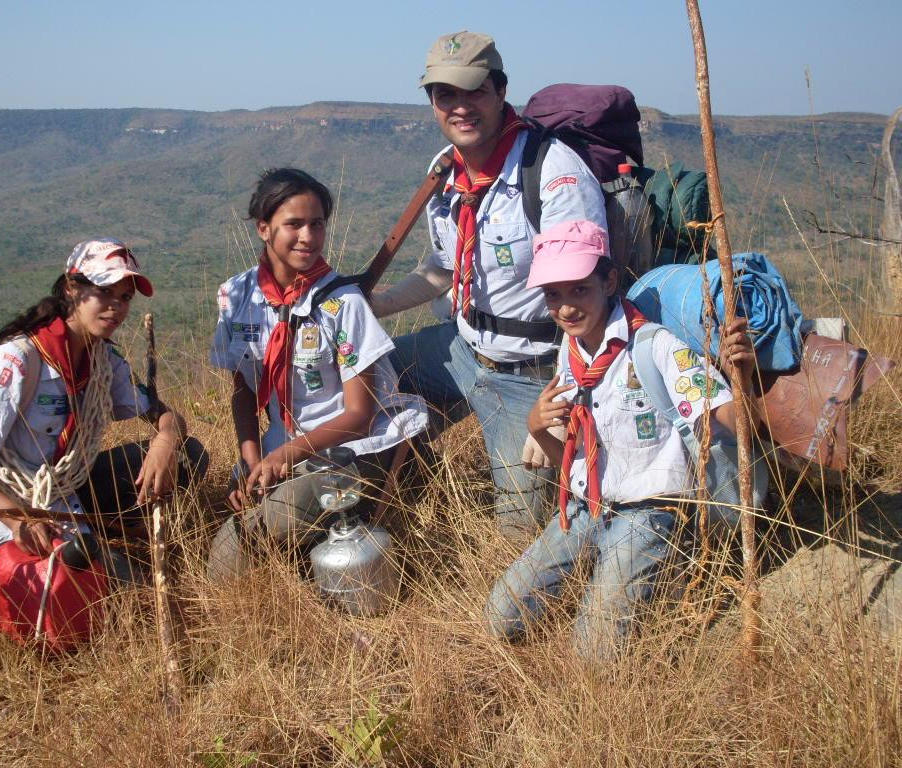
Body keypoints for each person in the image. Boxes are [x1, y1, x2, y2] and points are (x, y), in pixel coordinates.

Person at [369, 31, 608, 538]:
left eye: (474, 91)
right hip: (461, 347)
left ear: (500, 92)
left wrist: (557, 405)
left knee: (515, 534)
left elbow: (585, 304)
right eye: (445, 95)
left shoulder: (551, 173)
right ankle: (408, 477)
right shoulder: (444, 172)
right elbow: (442, 267)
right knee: (370, 377)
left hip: (533, 369)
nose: (460, 107)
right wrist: (374, 307)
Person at [483, 219, 754, 660]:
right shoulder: (570, 355)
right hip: (586, 508)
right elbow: (572, 464)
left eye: (579, 290)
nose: (566, 308)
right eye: (554, 294)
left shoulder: (655, 347)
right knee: (502, 617)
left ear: (608, 280)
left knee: (594, 656)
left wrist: (738, 378)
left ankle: (661, 572)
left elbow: (727, 421)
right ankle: (606, 577)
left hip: (647, 511)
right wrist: (536, 427)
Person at [206, 168, 428, 583]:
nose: (308, 236)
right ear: (263, 229)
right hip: (280, 449)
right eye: (294, 224)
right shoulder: (238, 296)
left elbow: (358, 415)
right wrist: (250, 459)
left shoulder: (341, 303)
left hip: (350, 451)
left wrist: (282, 459)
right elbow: (243, 387)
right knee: (226, 562)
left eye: (318, 224)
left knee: (249, 539)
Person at [0, 238, 208, 570]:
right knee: (103, 589)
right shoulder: (20, 358)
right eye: (105, 291)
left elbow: (163, 414)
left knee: (187, 453)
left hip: (68, 490)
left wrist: (166, 440)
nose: (116, 306)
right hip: (17, 505)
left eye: (124, 297)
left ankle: (104, 530)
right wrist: (16, 520)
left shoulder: (103, 359)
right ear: (72, 288)